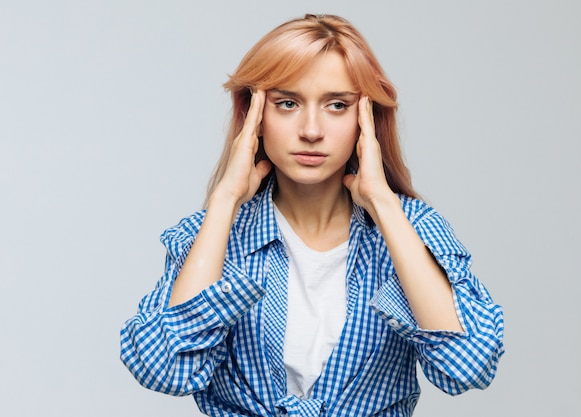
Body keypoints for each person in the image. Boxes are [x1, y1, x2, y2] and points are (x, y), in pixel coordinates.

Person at [120, 13, 504, 417]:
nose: (311, 130)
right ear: (256, 117)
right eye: (288, 103)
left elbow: (467, 366)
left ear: (366, 119)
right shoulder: (211, 235)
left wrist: (383, 203)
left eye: (337, 105)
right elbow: (165, 370)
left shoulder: (411, 229)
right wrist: (224, 202)